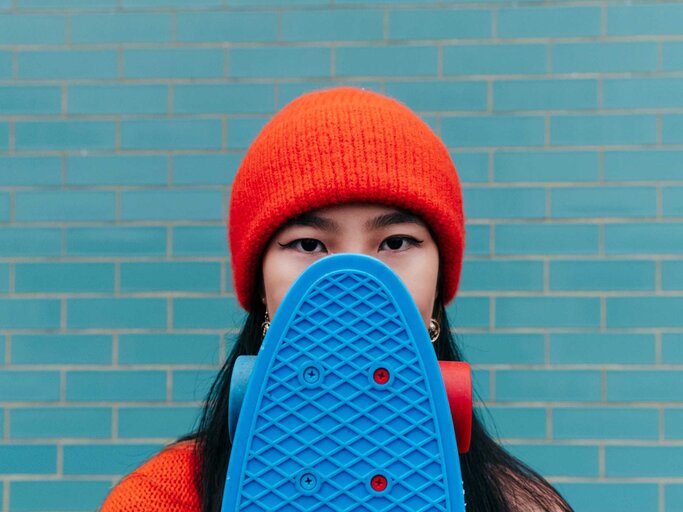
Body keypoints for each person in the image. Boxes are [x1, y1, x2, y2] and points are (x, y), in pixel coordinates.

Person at [100, 86, 573, 512]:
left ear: (438, 280)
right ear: (260, 284)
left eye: (395, 242)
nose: (355, 285)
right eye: (309, 245)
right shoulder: (157, 501)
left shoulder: (524, 504)